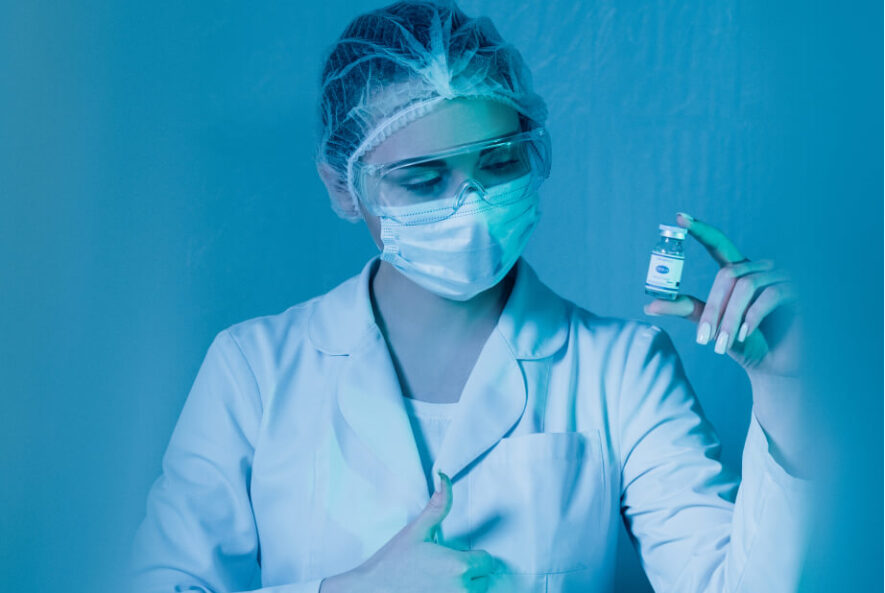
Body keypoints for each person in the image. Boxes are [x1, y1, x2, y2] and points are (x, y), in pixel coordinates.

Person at [127, 2, 813, 592]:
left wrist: (785, 389)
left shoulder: (622, 369)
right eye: (424, 179)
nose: (473, 205)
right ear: (344, 185)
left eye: (499, 162)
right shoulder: (253, 370)